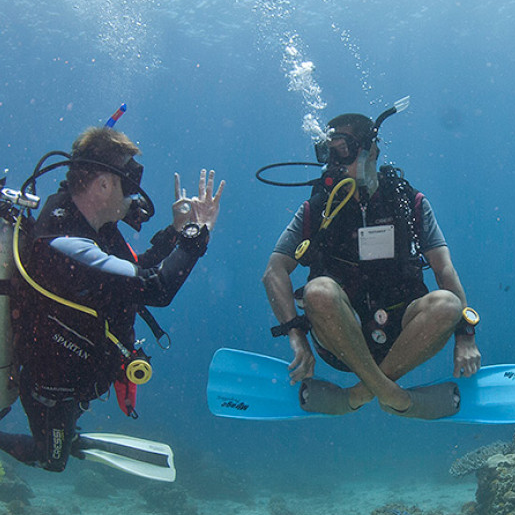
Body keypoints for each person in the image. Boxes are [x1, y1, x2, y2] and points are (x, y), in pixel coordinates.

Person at [0, 126, 223, 472]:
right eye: (130, 184)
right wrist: (200, 232)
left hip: (75, 371)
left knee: (62, 439)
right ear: (104, 184)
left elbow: (129, 276)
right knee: (52, 459)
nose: (135, 197)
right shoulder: (66, 244)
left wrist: (176, 232)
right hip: (51, 385)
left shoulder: (88, 225)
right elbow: (156, 288)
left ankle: (66, 437)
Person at [262, 110, 481, 419]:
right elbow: (273, 271)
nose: (337, 163)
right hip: (338, 336)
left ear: (372, 150)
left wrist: (465, 336)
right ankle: (400, 400)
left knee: (448, 304)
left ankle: (356, 396)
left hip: (403, 336)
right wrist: (297, 338)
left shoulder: (409, 202)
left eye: (345, 151)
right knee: (318, 291)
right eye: (330, 154)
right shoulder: (318, 208)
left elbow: (444, 270)